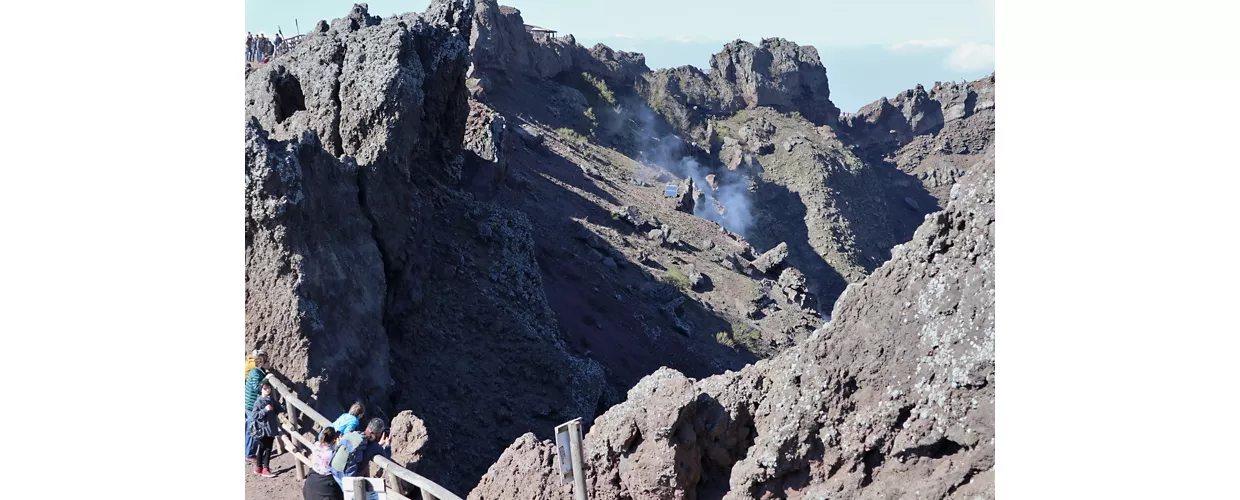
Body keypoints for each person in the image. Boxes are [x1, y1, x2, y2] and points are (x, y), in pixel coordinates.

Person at [329, 418, 392, 487]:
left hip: (334, 471)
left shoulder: (356, 434)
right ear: (379, 434)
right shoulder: (375, 447)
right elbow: (386, 456)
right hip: (347, 479)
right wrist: (388, 444)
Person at [249, 381, 284, 477]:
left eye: (268, 388)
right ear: (261, 390)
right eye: (265, 388)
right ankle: (265, 469)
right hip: (263, 429)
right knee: (267, 449)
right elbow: (255, 415)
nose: (267, 390)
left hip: (270, 429)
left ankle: (259, 467)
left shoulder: (271, 400)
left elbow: (279, 408)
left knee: (263, 448)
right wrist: (265, 410)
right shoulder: (259, 402)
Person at [304, 428, 345, 500]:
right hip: (327, 480)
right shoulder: (332, 452)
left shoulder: (316, 445)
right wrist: (339, 445)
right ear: (334, 439)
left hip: (312, 478)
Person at [244, 349, 269, 463]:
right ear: (263, 362)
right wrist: (266, 380)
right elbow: (256, 387)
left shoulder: (254, 370)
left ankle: (247, 450)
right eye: (267, 361)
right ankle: (249, 454)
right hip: (251, 404)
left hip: (248, 403)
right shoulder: (255, 372)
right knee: (253, 428)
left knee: (249, 426)